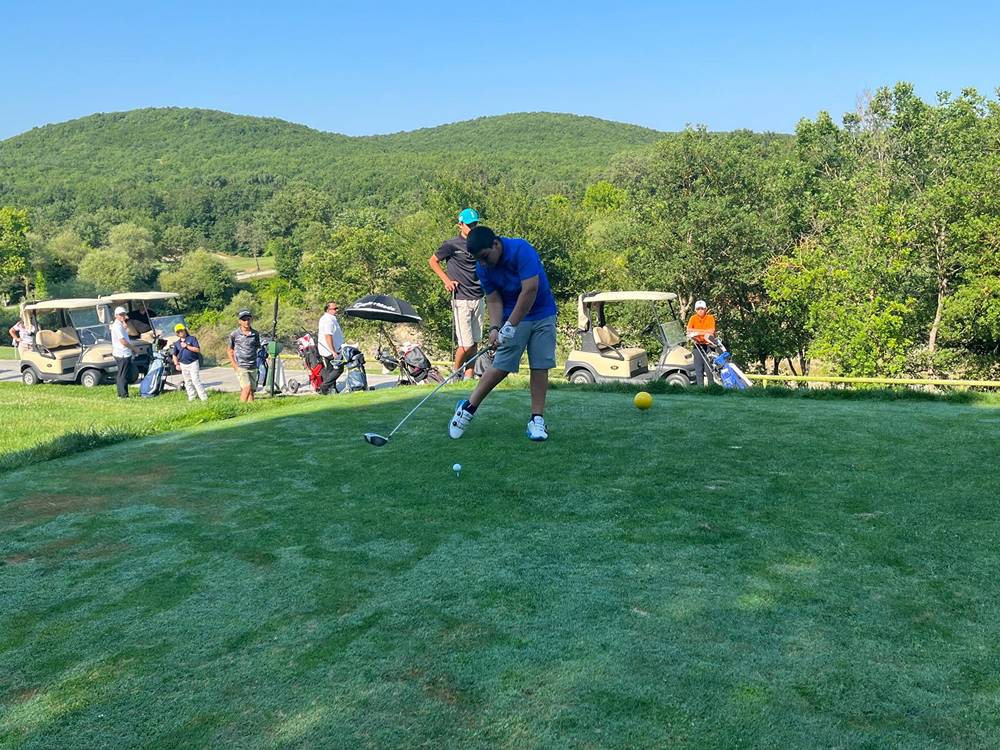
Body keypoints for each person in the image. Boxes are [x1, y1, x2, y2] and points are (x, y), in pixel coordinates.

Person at [449, 226, 557, 442]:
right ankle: (467, 408)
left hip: (542, 312)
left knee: (540, 365)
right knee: (502, 366)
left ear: (496, 244)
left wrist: (510, 326)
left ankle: (536, 419)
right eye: (479, 260)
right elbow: (493, 299)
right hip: (510, 315)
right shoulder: (483, 267)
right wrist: (495, 328)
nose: (483, 263)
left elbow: (530, 290)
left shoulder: (521, 250)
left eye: (485, 257)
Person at [429, 208, 484, 379]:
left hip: (479, 297)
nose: (473, 228)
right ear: (460, 225)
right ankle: (455, 375)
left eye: (475, 224)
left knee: (475, 342)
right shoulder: (451, 245)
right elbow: (433, 261)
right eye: (469, 225)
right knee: (465, 345)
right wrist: (446, 281)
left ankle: (469, 378)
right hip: (460, 298)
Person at [228, 309, 261, 402]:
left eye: (248, 319)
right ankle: (241, 407)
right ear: (239, 321)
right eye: (244, 320)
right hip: (241, 365)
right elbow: (230, 350)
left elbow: (257, 347)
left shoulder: (255, 334)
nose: (246, 321)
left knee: (251, 391)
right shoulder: (234, 334)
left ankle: (250, 408)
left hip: (253, 365)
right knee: (246, 388)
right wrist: (234, 364)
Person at [171, 322, 208, 402]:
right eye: (178, 331)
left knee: (195, 380)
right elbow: (174, 355)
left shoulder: (192, 339)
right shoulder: (177, 343)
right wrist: (176, 364)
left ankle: (203, 397)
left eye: (181, 330)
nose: (180, 332)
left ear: (185, 330)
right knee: (187, 382)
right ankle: (192, 397)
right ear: (176, 333)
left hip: (193, 362)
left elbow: (197, 349)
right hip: (183, 364)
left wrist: (187, 346)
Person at [686, 299, 718, 386]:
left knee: (709, 369)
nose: (700, 310)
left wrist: (696, 332)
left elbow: (711, 331)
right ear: (695, 310)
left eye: (702, 308)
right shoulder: (693, 318)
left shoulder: (710, 318)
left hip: (709, 346)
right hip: (697, 345)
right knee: (698, 369)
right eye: (698, 309)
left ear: (705, 309)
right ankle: (700, 389)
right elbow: (689, 331)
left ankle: (711, 388)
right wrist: (703, 332)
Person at [110, 306, 139, 398]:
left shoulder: (120, 324)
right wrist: (133, 348)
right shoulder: (117, 326)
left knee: (124, 374)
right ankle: (123, 395)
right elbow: (122, 341)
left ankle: (122, 394)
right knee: (122, 375)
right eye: (120, 314)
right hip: (121, 353)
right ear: (116, 316)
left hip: (124, 352)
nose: (122, 316)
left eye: (123, 314)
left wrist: (124, 323)